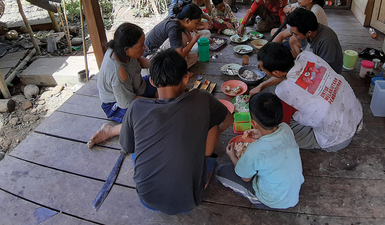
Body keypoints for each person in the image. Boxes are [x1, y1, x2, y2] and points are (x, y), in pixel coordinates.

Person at [119, 49, 233, 215]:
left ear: (152, 81)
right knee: (213, 123)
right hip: (188, 201)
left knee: (139, 143)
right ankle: (206, 176)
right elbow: (228, 120)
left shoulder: (136, 107)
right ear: (186, 78)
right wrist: (205, 133)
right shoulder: (201, 98)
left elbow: (128, 147)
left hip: (147, 198)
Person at [252, 43, 363, 152]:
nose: (262, 70)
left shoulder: (284, 91)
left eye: (263, 69)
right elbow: (288, 75)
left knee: (279, 132)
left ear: (276, 72)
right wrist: (262, 85)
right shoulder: (308, 56)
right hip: (354, 115)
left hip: (338, 138)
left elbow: (286, 83)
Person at [216, 92, 304, 210]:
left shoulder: (254, 150)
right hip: (292, 194)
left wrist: (232, 156)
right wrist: (259, 134)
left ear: (253, 123)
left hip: (271, 200)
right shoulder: (286, 128)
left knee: (220, 171)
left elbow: (245, 178)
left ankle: (258, 200)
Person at [87, 23, 158, 148]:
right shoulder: (118, 72)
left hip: (137, 87)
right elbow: (128, 101)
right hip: (119, 104)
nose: (144, 47)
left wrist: (155, 64)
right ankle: (110, 130)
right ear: (126, 49)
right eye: (140, 46)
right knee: (148, 120)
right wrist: (155, 102)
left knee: (165, 83)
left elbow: (138, 60)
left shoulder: (121, 50)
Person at [273, 7, 343, 74]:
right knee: (292, 39)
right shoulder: (303, 26)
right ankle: (300, 60)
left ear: (309, 33)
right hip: (313, 59)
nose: (293, 34)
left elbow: (325, 69)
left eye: (296, 33)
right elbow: (281, 35)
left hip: (326, 72)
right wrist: (268, 52)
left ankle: (300, 62)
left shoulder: (326, 40)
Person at [143, 4, 209, 68]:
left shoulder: (179, 21)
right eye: (196, 23)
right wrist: (193, 41)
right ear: (187, 21)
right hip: (151, 59)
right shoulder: (173, 28)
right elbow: (180, 55)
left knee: (194, 57)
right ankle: (167, 72)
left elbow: (188, 40)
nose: (196, 26)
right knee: (183, 37)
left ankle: (175, 71)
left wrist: (196, 39)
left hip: (164, 56)